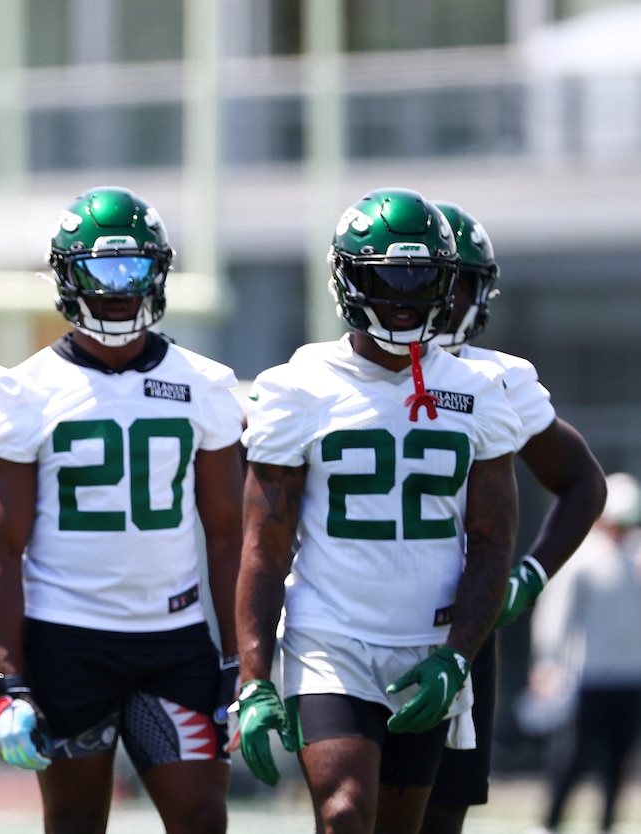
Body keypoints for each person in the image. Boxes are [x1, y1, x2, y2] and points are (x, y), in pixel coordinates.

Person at [235, 187, 522, 834]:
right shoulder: (297, 388)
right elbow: (265, 543)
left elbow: (493, 539)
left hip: (429, 638)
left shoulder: (479, 390)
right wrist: (253, 679)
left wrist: (457, 655)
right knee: (344, 813)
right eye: (386, 278)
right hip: (330, 637)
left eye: (422, 279)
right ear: (348, 281)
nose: (404, 296)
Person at [0, 186, 244, 833]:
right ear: (68, 278)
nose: (119, 288)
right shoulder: (25, 391)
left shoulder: (204, 384)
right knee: (74, 823)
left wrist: (243, 666)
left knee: (203, 818)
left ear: (160, 273)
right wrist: (9, 683)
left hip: (174, 644)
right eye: (101, 270)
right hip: (65, 640)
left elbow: (229, 535)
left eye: (135, 269)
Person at [418, 202, 608, 834]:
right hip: (348, 619)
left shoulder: (491, 379)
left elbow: (583, 482)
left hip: (462, 625)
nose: (433, 297)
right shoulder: (335, 376)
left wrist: (527, 576)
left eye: (455, 281)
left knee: (441, 814)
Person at [523, 471, 641, 834]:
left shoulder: (636, 558)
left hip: (630, 677)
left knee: (619, 761)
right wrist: (547, 664)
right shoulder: (583, 558)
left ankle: (607, 824)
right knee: (571, 756)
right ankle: (552, 822)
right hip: (587, 678)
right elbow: (555, 616)